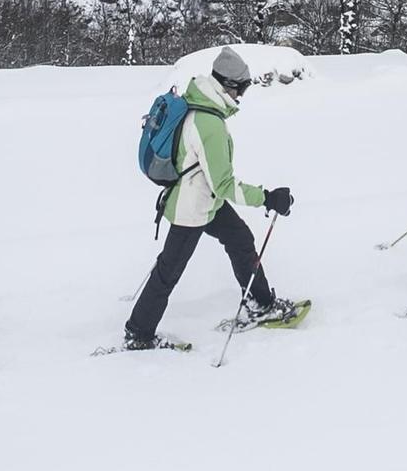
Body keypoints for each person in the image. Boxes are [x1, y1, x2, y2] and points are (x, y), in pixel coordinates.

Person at [123, 48, 299, 349]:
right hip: (192, 208)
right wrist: (268, 198)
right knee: (170, 270)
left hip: (205, 201)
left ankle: (261, 301)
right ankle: (138, 333)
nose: (242, 95)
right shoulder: (210, 124)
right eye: (242, 87)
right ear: (228, 85)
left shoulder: (200, 103)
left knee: (240, 239)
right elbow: (225, 184)